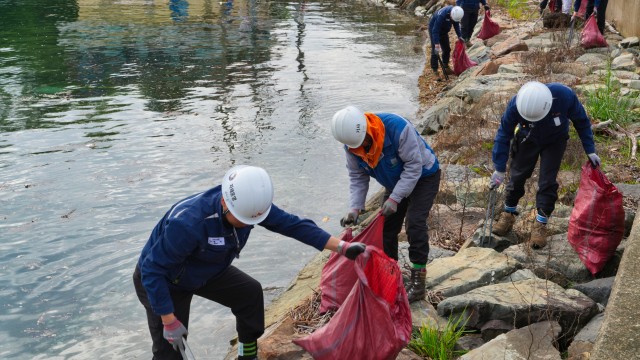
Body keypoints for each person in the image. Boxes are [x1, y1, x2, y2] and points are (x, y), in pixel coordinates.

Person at [133, 165, 366, 360]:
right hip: (163, 280)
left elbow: (293, 225)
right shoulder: (188, 223)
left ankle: (247, 354)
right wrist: (168, 318)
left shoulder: (253, 205)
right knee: (171, 349)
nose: (246, 225)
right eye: (241, 220)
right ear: (225, 202)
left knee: (249, 294)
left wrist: (342, 247)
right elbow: (152, 270)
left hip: (204, 269)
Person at [331, 106, 441, 303]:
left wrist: (395, 199)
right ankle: (393, 274)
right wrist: (355, 208)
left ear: (366, 129)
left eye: (363, 141)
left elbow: (414, 167)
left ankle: (418, 281)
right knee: (386, 228)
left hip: (424, 176)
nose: (360, 147)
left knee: (415, 223)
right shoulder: (351, 145)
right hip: (395, 182)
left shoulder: (397, 129)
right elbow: (357, 176)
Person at [489, 82, 600, 248]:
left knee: (547, 181)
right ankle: (508, 213)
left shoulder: (564, 96)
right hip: (528, 138)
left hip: (555, 141)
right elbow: (503, 134)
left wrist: (590, 149)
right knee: (517, 176)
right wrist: (498, 168)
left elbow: (582, 122)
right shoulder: (516, 104)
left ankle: (540, 223)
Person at [428, 5, 465, 81]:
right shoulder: (442, 15)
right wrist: (437, 44)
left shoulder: (456, 13)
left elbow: (456, 25)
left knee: (447, 49)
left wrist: (460, 36)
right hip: (434, 30)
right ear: (451, 14)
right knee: (435, 51)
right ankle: (435, 70)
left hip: (444, 31)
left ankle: (445, 66)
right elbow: (435, 31)